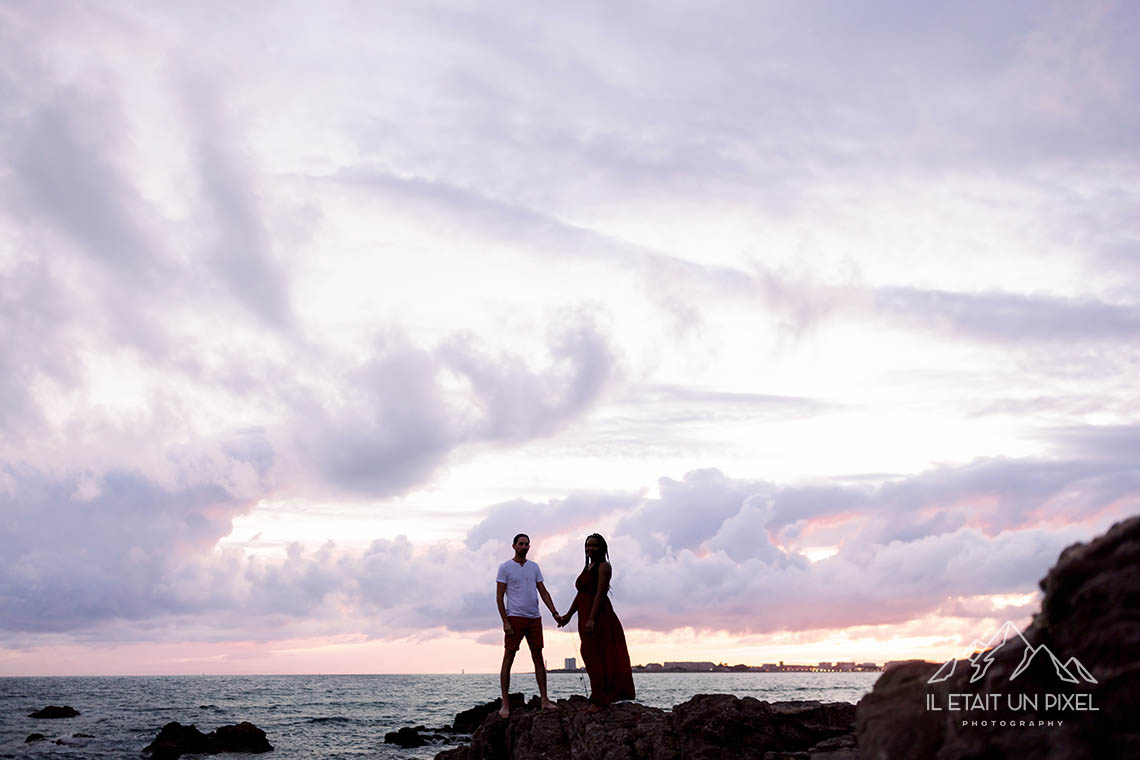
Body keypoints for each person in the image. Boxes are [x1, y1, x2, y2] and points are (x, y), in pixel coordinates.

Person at [556, 533, 635, 713]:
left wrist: (592, 618)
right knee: (589, 656)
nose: (590, 549)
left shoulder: (604, 567)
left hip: (600, 617)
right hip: (584, 616)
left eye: (594, 546)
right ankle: (597, 696)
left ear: (602, 548)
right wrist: (568, 615)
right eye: (587, 546)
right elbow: (581, 594)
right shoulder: (587, 567)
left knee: (599, 657)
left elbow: (600, 594)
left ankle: (601, 700)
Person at [496, 533, 561, 718]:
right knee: (508, 657)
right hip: (514, 617)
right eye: (521, 544)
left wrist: (554, 613)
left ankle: (545, 700)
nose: (524, 547)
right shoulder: (505, 567)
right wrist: (505, 622)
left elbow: (543, 591)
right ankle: (505, 704)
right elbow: (499, 597)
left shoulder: (534, 567)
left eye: (527, 544)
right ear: (514, 546)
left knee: (538, 657)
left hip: (534, 618)